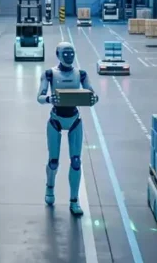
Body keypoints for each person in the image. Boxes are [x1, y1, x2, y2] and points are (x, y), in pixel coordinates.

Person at [36, 42, 98, 216]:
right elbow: (39, 96)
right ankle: (50, 187)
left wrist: (93, 98)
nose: (69, 56)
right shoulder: (49, 74)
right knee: (53, 161)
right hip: (56, 119)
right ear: (58, 54)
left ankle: (74, 200)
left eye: (71, 52)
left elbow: (91, 93)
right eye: (66, 53)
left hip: (74, 120)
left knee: (76, 161)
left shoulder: (81, 74)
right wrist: (49, 99)